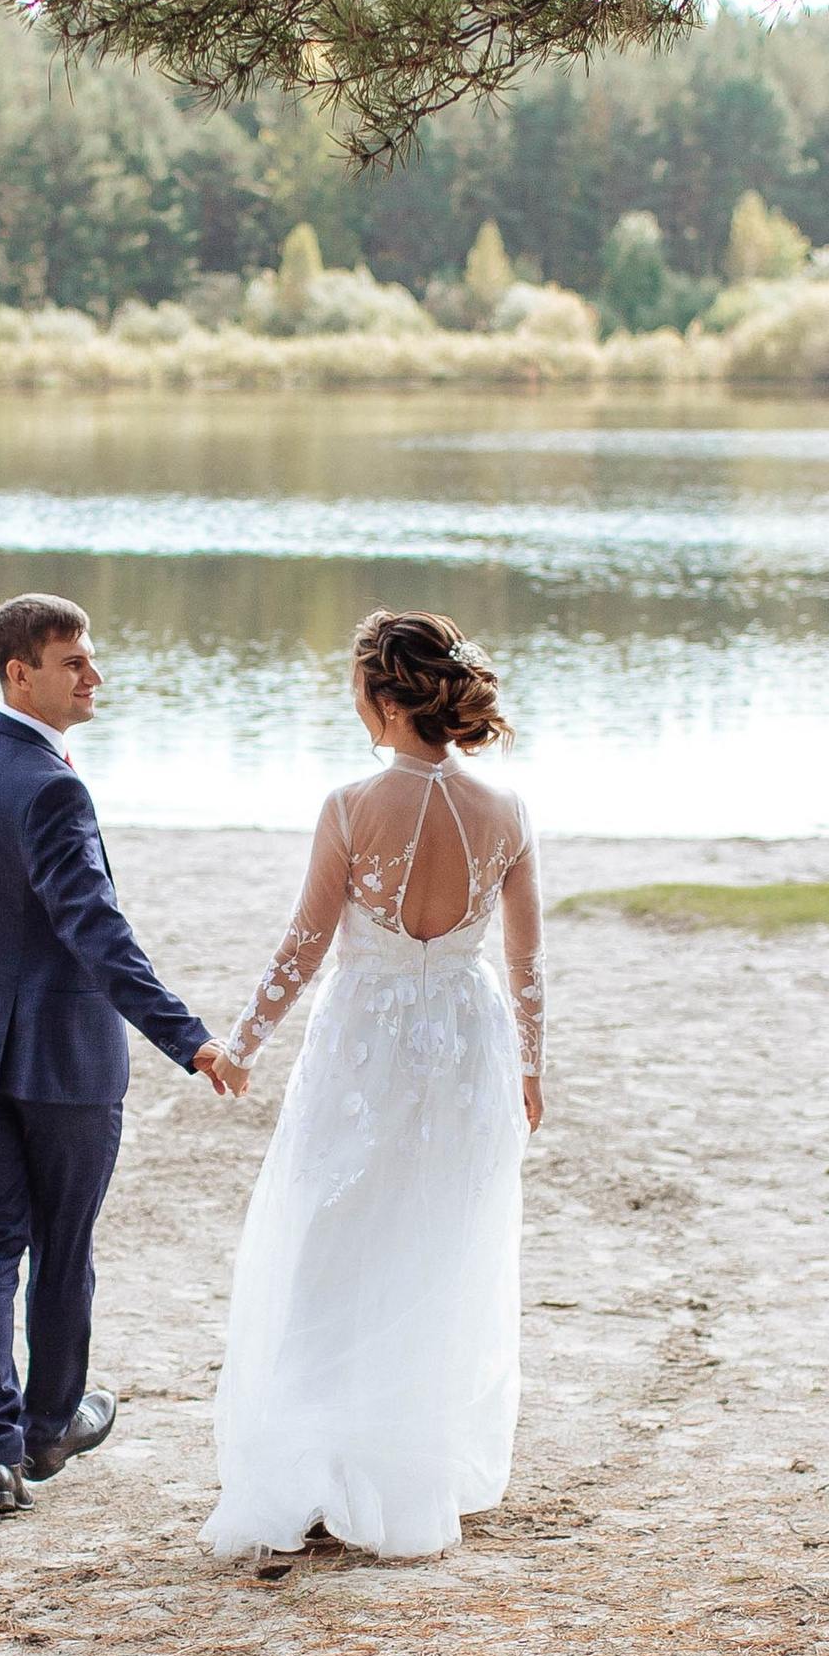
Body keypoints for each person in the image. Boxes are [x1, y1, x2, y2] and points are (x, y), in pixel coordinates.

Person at [205, 609, 544, 1563]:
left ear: (382, 697)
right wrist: (530, 1065)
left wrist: (243, 1044)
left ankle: (324, 1465)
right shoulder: (506, 811)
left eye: (357, 688)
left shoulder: (352, 806)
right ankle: (406, 1470)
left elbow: (304, 945)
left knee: (335, 1238)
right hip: (468, 1044)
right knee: (439, 1242)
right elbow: (526, 958)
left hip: (365, 1046)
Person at [0, 592, 240, 1518]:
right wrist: (190, 1038)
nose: (94, 676)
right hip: (60, 1064)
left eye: (92, 659)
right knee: (60, 1248)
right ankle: (50, 1426)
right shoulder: (53, 785)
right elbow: (97, 932)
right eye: (74, 663)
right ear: (20, 673)